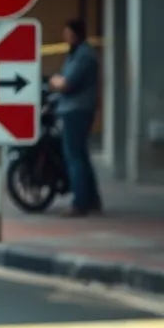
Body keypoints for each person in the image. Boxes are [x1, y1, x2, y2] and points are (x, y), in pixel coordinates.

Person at [49, 18, 102, 216]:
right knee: (81, 156)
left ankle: (80, 203)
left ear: (75, 34)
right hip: (75, 109)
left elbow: (66, 83)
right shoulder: (77, 53)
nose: (65, 37)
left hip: (76, 111)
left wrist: (54, 80)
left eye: (68, 33)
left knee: (74, 157)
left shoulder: (83, 55)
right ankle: (92, 199)